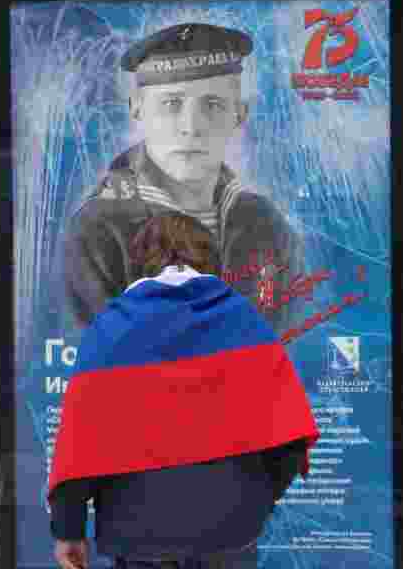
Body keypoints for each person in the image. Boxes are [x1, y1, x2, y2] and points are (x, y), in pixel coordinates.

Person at [48, 211, 319, 569]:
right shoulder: (245, 322)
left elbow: (80, 441)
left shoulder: (110, 330)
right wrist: (256, 498)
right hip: (229, 530)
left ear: (140, 263)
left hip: (138, 532)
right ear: (210, 260)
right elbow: (289, 439)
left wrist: (69, 530)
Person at [60, 22, 303, 337]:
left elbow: (287, 341)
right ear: (137, 109)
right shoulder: (99, 230)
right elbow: (97, 353)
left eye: (212, 105)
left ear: (239, 113)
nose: (191, 126)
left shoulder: (267, 225)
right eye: (171, 104)